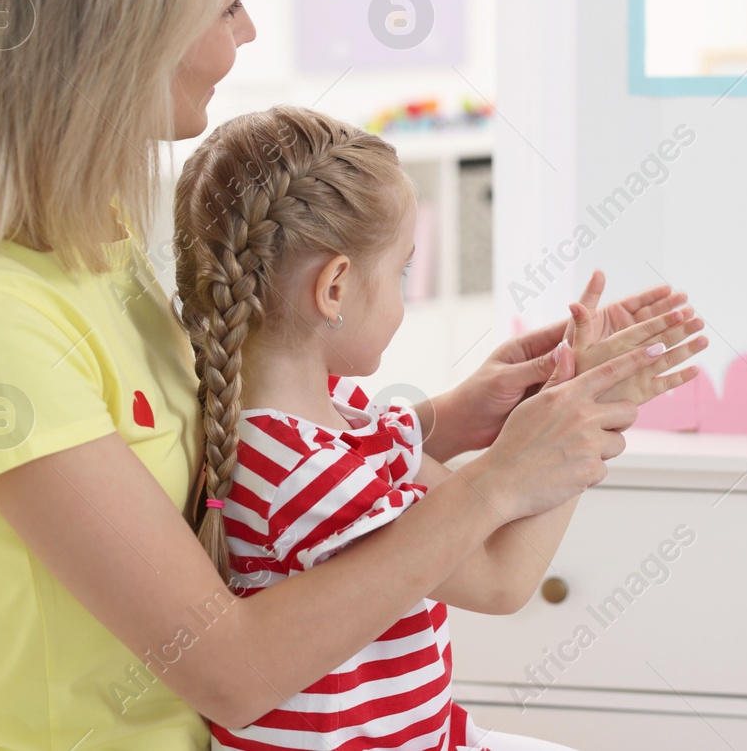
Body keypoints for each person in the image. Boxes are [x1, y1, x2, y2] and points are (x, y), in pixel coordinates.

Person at [0, 0, 698, 749]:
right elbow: (235, 668)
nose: (247, 33)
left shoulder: (91, 237)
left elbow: (215, 464)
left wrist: (445, 422)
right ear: (121, 28)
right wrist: (497, 483)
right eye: (227, 5)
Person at [170, 106, 705, 748]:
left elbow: (445, 500)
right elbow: (503, 578)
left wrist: (551, 394)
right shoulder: (305, 472)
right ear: (334, 288)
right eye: (400, 271)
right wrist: (581, 413)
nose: (404, 291)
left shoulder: (323, 423)